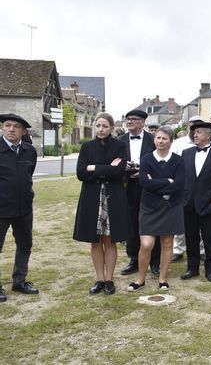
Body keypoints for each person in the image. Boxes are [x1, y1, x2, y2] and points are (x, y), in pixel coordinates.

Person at [73, 113, 130, 295]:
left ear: (111, 127)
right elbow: (81, 173)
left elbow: (120, 171)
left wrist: (94, 168)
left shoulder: (120, 146)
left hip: (113, 197)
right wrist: (106, 168)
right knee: (95, 241)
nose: (101, 129)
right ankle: (99, 279)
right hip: (92, 198)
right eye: (98, 126)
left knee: (110, 240)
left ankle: (109, 279)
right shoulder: (87, 147)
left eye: (105, 126)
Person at [128, 126, 185, 292]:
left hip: (170, 206)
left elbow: (180, 185)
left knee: (167, 243)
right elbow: (144, 183)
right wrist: (168, 181)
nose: (160, 141)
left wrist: (156, 184)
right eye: (158, 138)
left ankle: (162, 279)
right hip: (149, 207)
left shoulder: (178, 161)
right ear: (154, 140)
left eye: (164, 138)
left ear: (170, 141)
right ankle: (140, 279)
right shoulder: (146, 159)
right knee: (146, 244)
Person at [180, 122, 211, 282]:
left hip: (210, 206)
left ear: (208, 135)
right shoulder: (186, 154)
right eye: (194, 132)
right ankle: (192, 268)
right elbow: (182, 179)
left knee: (209, 240)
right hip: (189, 205)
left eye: (198, 132)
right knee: (190, 238)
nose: (195, 135)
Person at [0, 113, 39, 301]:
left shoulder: (29, 151)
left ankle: (19, 281)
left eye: (16, 126)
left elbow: (28, 175)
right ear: (2, 128)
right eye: (7, 125)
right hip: (1, 208)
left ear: (23, 131)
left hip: (24, 208)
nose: (11, 129)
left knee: (25, 244)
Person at [118, 109, 158, 276]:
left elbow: (160, 161)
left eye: (133, 119)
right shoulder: (119, 141)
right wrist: (124, 168)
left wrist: (144, 172)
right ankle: (133, 258)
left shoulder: (153, 139)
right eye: (128, 119)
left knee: (153, 223)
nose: (129, 122)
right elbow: (115, 163)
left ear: (142, 122)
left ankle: (155, 261)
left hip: (149, 187)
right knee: (131, 223)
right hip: (128, 186)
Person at [170, 115, 206, 263]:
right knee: (181, 221)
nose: (195, 129)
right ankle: (178, 250)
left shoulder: (209, 143)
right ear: (187, 126)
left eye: (198, 126)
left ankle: (202, 250)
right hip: (183, 188)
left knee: (201, 222)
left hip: (202, 189)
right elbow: (172, 163)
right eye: (192, 126)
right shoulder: (179, 143)